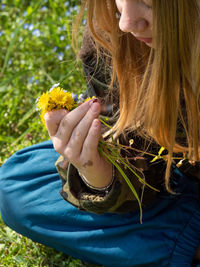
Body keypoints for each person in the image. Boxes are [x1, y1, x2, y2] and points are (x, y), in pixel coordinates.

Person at [0, 0, 200, 266]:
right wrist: (98, 174)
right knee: (19, 183)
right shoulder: (114, 33)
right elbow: (137, 153)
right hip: (173, 176)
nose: (126, 22)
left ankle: (169, 244)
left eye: (149, 3)